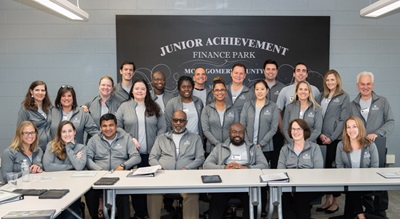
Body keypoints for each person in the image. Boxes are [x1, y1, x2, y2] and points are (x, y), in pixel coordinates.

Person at [116, 79, 167, 219]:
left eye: (143, 89)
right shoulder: (124, 107)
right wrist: (130, 137)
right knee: (135, 185)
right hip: (132, 155)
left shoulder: (154, 106)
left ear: (147, 91)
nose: (139, 91)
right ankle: (139, 214)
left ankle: (150, 213)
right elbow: (117, 127)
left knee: (150, 185)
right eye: (137, 88)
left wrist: (158, 141)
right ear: (132, 91)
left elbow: (162, 126)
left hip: (151, 154)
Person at [350, 71, 394, 218]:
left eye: (368, 84)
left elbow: (390, 121)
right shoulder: (353, 104)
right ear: (358, 85)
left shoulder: (382, 101)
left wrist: (379, 133)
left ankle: (380, 212)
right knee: (364, 179)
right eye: (362, 84)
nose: (365, 86)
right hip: (359, 148)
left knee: (380, 179)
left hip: (378, 145)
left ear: (372, 85)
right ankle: (367, 211)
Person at [203, 122, 269, 219]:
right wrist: (224, 167)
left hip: (247, 186)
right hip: (224, 185)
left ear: (244, 134)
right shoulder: (220, 148)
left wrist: (247, 168)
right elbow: (206, 165)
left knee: (253, 199)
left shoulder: (254, 148)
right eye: (234, 132)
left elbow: (264, 165)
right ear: (229, 134)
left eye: (240, 132)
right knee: (216, 198)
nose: (237, 135)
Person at [148, 110, 205, 219]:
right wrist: (160, 167)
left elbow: (200, 158)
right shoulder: (161, 138)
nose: (178, 123)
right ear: (171, 121)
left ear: (186, 122)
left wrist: (188, 168)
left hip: (186, 178)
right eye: (175, 120)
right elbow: (152, 157)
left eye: (181, 120)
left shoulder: (195, 138)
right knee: (152, 192)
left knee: (192, 194)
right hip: (164, 177)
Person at [85, 113, 141, 219]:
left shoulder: (126, 138)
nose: (108, 129)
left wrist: (123, 165)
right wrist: (100, 170)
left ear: (116, 126)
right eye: (104, 126)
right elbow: (87, 159)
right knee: (90, 193)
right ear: (100, 127)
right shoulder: (94, 140)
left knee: (122, 195)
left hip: (120, 176)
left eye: (111, 125)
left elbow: (136, 157)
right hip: (99, 176)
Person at [315, 69, 350, 214]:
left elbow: (343, 119)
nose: (330, 82)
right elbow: (316, 116)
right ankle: (327, 199)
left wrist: (333, 137)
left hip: (335, 140)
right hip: (321, 138)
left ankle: (335, 201)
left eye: (332, 80)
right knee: (324, 169)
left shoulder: (344, 97)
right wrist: (321, 134)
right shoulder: (321, 96)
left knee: (333, 171)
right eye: (327, 80)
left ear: (337, 81)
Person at [333, 116, 379, 219]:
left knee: (353, 190)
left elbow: (374, 167)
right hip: (347, 180)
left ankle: (354, 215)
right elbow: (339, 166)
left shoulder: (370, 145)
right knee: (353, 187)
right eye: (348, 127)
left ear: (360, 128)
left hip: (366, 181)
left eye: (354, 126)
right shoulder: (341, 145)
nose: (351, 130)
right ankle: (360, 215)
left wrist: (361, 178)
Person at [278, 119, 324, 219]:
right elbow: (280, 171)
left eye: (299, 129)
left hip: (310, 186)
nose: (295, 132)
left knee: (299, 199)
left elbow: (319, 170)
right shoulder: (285, 149)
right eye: (293, 129)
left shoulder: (314, 148)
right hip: (288, 186)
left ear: (305, 131)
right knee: (283, 198)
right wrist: (290, 186)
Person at [43, 121, 86, 219]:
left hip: (72, 188)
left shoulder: (81, 148)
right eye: (64, 132)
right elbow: (48, 167)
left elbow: (79, 167)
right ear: (59, 133)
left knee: (70, 217)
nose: (67, 134)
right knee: (55, 216)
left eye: (70, 131)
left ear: (74, 132)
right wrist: (72, 165)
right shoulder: (51, 145)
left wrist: (68, 148)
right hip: (53, 188)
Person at [240, 79, 279, 162]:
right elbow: (242, 126)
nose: (259, 92)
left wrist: (261, 144)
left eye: (262, 89)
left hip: (265, 148)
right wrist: (248, 143)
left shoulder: (273, 106)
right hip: (247, 146)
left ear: (267, 91)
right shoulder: (247, 105)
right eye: (257, 89)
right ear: (254, 91)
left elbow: (274, 129)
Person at [201, 76, 239, 154]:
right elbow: (205, 130)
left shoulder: (233, 109)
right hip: (211, 149)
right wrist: (217, 143)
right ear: (213, 92)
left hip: (230, 148)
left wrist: (226, 144)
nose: (220, 93)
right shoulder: (207, 109)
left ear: (225, 92)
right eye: (217, 90)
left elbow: (236, 129)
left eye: (222, 90)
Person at [17, 80, 52, 151]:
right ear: (31, 91)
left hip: (50, 149)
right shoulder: (25, 110)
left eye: (43, 90)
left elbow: (64, 109)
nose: (40, 93)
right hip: (34, 149)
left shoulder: (50, 108)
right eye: (37, 90)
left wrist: (79, 108)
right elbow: (20, 132)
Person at [263, 59, 286, 169]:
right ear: (264, 71)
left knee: (276, 162)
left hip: (278, 133)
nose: (270, 72)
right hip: (262, 133)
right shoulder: (258, 87)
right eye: (268, 69)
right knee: (261, 162)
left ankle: (275, 186)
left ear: (277, 71)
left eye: (273, 69)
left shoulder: (284, 89)